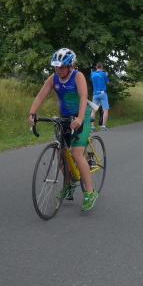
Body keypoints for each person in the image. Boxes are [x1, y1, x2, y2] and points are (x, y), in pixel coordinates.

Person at [28, 48, 98, 212]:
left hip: (81, 116)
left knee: (76, 153)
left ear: (70, 66)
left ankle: (90, 192)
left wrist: (79, 119)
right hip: (65, 118)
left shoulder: (78, 76)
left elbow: (83, 97)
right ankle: (69, 184)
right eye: (56, 67)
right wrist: (32, 113)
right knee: (61, 155)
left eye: (61, 67)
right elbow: (40, 96)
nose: (58, 70)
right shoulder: (53, 78)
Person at [90, 62, 110, 131]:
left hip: (95, 94)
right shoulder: (103, 74)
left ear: (96, 67)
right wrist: (106, 75)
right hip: (103, 94)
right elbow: (107, 82)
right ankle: (103, 126)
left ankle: (92, 127)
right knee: (105, 110)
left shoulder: (92, 74)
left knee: (93, 110)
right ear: (102, 67)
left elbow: (91, 80)